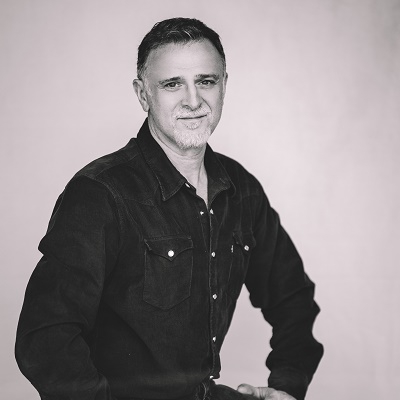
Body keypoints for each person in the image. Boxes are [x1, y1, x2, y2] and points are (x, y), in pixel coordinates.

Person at [15, 17, 323, 400]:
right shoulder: (100, 193)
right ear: (143, 95)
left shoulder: (240, 190)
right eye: (172, 84)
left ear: (224, 86)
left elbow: (293, 298)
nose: (193, 101)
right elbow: (46, 338)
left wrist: (287, 386)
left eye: (206, 81)